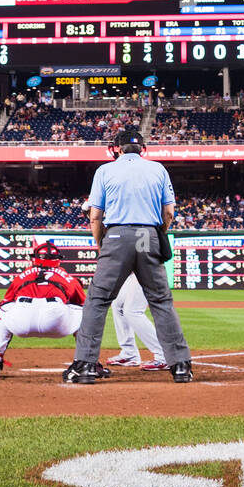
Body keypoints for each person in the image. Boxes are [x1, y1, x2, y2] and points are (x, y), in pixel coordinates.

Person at [64, 128, 192, 385]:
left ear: (117, 148)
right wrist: (157, 235)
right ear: (143, 149)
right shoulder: (158, 169)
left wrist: (102, 243)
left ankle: (86, 366)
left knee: (98, 301)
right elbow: (169, 212)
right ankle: (180, 366)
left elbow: (95, 216)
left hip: (117, 235)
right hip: (149, 234)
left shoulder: (105, 170)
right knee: (161, 302)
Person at [0, 241, 107, 379]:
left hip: (21, 320)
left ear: (35, 258)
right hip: (56, 321)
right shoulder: (69, 278)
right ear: (58, 260)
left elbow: (8, 299)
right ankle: (90, 364)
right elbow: (83, 304)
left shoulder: (23, 275)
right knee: (86, 314)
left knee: (0, 310)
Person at [107, 274, 167, 369]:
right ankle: (129, 353)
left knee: (132, 311)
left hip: (145, 270)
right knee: (117, 305)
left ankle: (164, 356)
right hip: (131, 274)